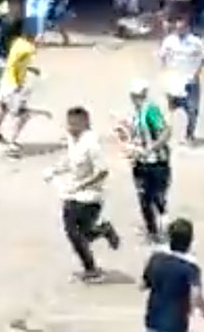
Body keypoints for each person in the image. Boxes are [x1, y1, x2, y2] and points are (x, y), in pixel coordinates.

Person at [44, 106, 120, 282]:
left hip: (90, 196)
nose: (70, 127)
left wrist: (80, 186)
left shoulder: (92, 145)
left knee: (76, 233)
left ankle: (91, 268)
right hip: (73, 193)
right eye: (69, 123)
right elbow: (70, 160)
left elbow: (102, 172)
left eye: (75, 124)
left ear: (85, 123)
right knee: (78, 232)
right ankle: (103, 232)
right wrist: (55, 170)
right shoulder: (73, 139)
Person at [116, 80, 171, 244]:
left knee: (155, 198)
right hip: (140, 161)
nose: (135, 98)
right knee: (144, 198)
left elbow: (165, 132)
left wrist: (151, 148)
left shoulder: (150, 110)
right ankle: (153, 231)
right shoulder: (137, 113)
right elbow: (135, 134)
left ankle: (159, 229)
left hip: (156, 162)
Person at [142, 218, 204, 332]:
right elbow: (195, 295)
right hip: (175, 325)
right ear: (190, 241)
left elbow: (143, 285)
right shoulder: (190, 268)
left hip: (153, 322)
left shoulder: (156, 258)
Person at [0, 22, 49, 155]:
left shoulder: (18, 43)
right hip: (13, 85)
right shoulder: (29, 48)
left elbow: (15, 62)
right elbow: (28, 54)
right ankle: (12, 144)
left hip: (5, 81)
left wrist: (30, 68)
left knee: (3, 109)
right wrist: (18, 86)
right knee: (23, 115)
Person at [159, 18, 204, 145]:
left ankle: (189, 135)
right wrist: (165, 73)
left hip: (190, 80)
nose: (179, 30)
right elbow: (162, 57)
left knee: (192, 110)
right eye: (177, 28)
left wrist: (197, 73)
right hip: (174, 80)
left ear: (187, 28)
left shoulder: (195, 42)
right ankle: (166, 135)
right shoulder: (169, 41)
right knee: (170, 109)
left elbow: (203, 58)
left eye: (182, 28)